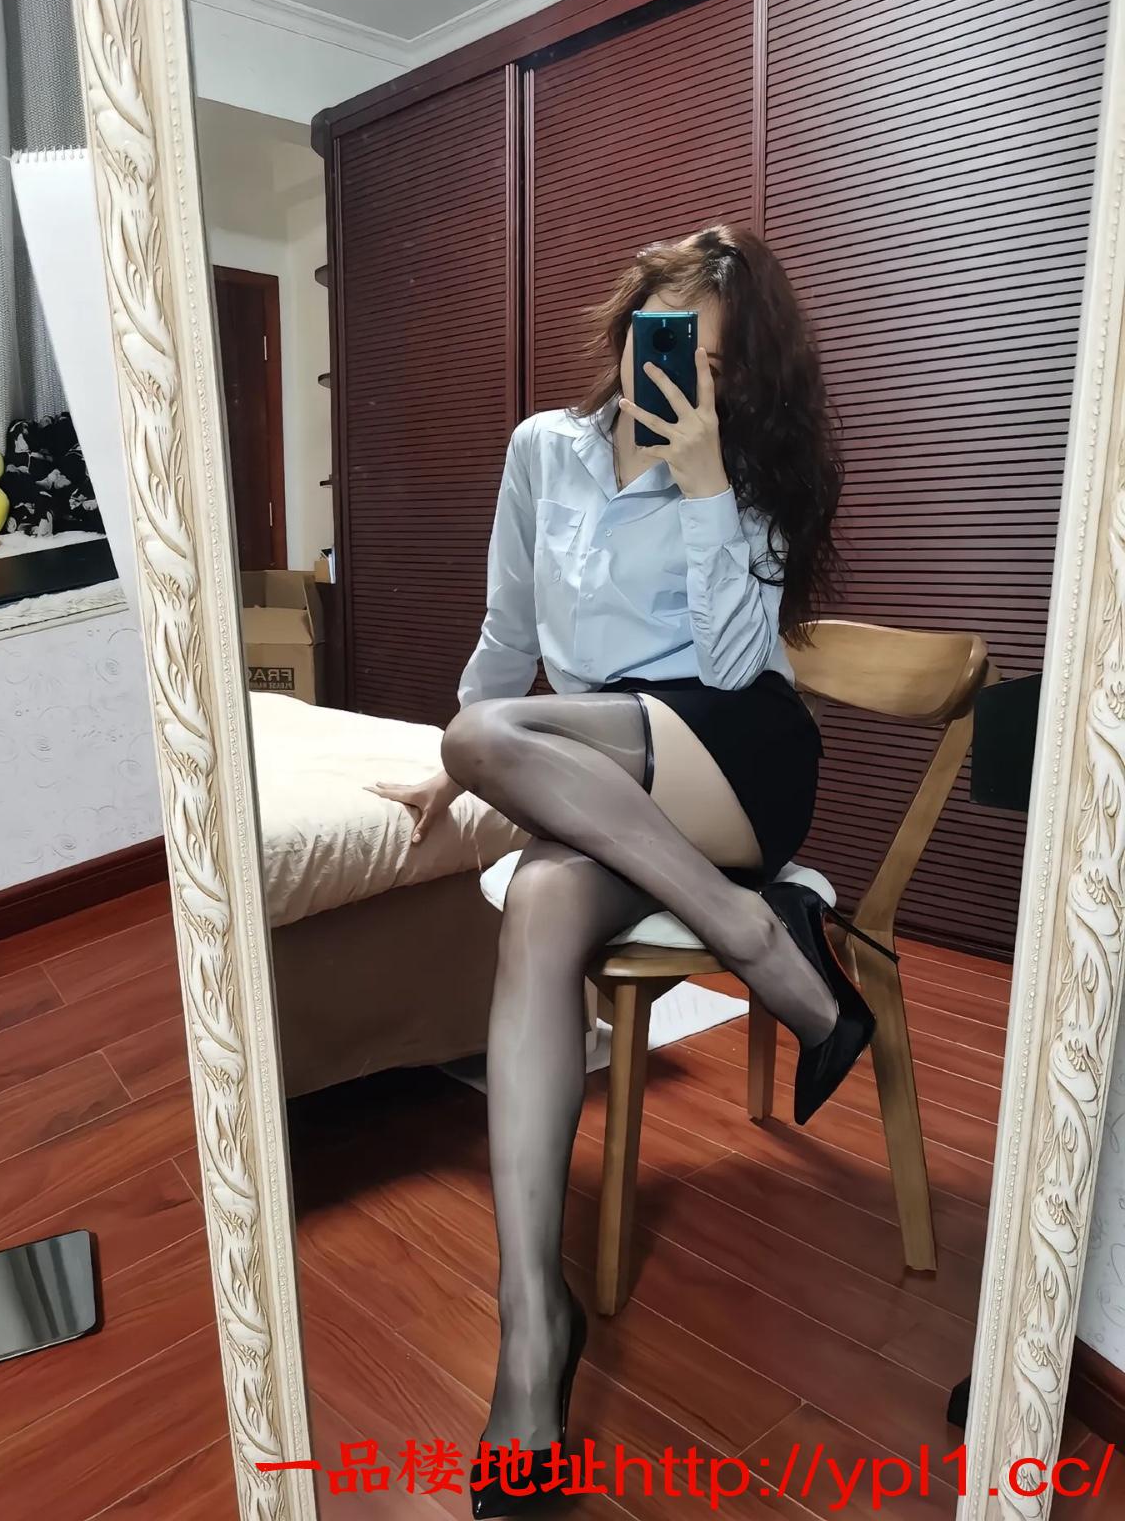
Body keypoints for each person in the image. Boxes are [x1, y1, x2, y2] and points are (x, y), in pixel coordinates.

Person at [370, 224, 878, 1517]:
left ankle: (753, 933)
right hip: (604, 776)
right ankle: (531, 1329)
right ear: (632, 319)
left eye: (714, 364)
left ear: (741, 378)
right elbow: (505, 636)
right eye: (670, 341)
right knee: (539, 901)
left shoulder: (745, 477)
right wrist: (458, 773)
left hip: (733, 761)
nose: (683, 379)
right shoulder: (543, 450)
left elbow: (736, 671)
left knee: (484, 738)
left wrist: (704, 485)